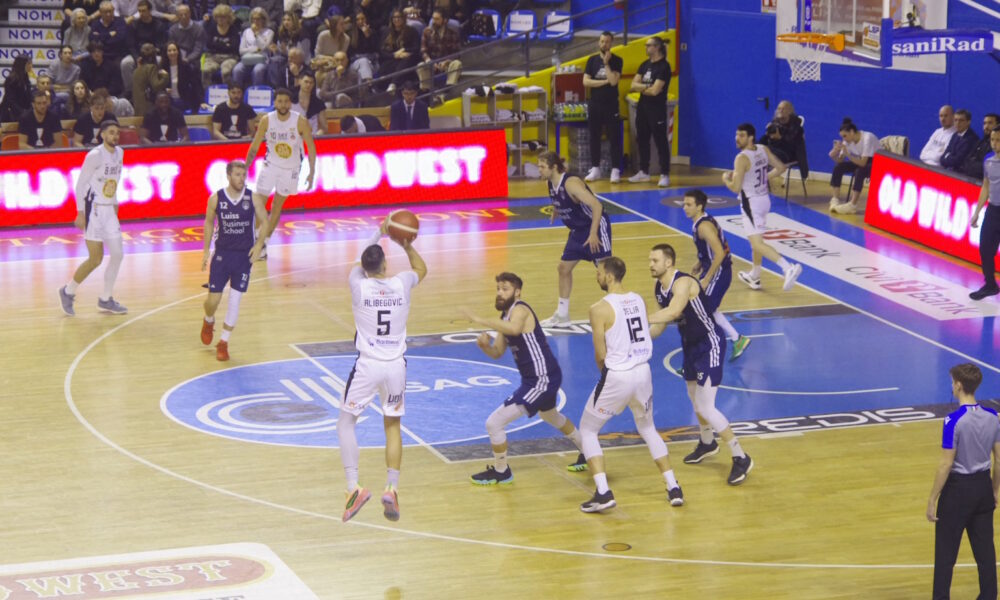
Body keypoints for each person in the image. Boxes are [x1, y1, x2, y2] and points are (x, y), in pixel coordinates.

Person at [574, 256, 683, 512]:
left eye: (599, 273)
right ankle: (673, 486)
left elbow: (600, 354)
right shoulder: (638, 299)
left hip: (619, 375)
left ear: (609, 276)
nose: (597, 276)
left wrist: (609, 378)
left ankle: (603, 492)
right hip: (643, 372)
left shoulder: (598, 308)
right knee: (648, 428)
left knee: (588, 430)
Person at [461, 272, 587, 485]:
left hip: (542, 378)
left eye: (505, 289)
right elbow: (498, 352)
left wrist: (480, 319)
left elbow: (515, 328)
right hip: (539, 377)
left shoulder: (520, 309)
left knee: (494, 423)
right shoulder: (504, 317)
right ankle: (588, 450)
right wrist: (485, 347)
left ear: (517, 292)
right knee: (550, 416)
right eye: (498, 289)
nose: (500, 293)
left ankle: (502, 471)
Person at [339, 220, 427, 523]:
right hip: (395, 366)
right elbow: (422, 270)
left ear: (364, 266)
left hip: (368, 364)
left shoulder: (357, 284)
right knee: (392, 426)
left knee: (346, 423)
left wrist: (379, 231)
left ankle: (354, 487)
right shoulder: (402, 282)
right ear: (386, 263)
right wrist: (406, 243)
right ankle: (392, 487)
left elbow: (360, 258)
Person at [647, 243, 753, 485]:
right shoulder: (659, 288)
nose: (650, 264)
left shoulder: (682, 283)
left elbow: (673, 312)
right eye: (650, 260)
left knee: (707, 407)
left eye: (655, 260)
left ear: (668, 263)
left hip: (710, 344)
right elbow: (659, 325)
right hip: (690, 346)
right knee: (695, 400)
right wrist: (638, 337)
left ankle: (740, 456)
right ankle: (707, 442)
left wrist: (636, 317)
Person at [926, 363, 1000, 600]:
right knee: (985, 552)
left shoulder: (952, 421)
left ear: (958, 385)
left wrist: (932, 498)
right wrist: (995, 489)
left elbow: (946, 464)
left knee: (946, 555)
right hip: (983, 488)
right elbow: (999, 459)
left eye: (952, 382)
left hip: (958, 491)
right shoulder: (993, 416)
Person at [199, 160, 267, 361]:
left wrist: (259, 245)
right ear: (228, 176)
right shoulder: (216, 198)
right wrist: (205, 250)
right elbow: (209, 223)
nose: (241, 179)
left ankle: (223, 342)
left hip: (243, 257)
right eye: (237, 175)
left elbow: (266, 220)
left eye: (243, 175)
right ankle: (208, 319)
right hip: (222, 255)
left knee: (235, 300)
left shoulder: (252, 197)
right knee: (213, 301)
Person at [59, 120, 128, 317]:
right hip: (94, 210)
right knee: (95, 259)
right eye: (111, 132)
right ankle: (68, 291)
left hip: (109, 209)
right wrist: (80, 212)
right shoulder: (95, 155)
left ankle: (106, 299)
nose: (115, 136)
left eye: (117, 132)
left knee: (117, 254)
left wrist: (115, 203)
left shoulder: (120, 153)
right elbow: (80, 184)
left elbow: (114, 181)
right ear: (102, 135)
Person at [536, 151, 611, 327]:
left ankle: (618, 309)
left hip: (595, 228)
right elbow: (558, 198)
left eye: (542, 166)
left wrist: (593, 234)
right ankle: (562, 315)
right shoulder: (550, 182)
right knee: (563, 269)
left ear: (554, 167)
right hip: (578, 231)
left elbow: (597, 206)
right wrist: (556, 209)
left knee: (606, 273)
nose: (539, 170)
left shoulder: (571, 184)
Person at [722, 123, 800, 291]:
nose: (737, 138)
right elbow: (781, 168)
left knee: (757, 243)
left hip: (751, 203)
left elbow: (736, 188)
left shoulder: (741, 158)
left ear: (750, 137)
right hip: (764, 199)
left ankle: (788, 268)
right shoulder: (763, 149)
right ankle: (755, 276)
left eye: (741, 135)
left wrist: (725, 180)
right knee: (755, 240)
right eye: (736, 134)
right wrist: (765, 178)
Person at [244, 87, 317, 259]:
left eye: (286, 101)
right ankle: (251, 238)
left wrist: (312, 172)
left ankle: (263, 244)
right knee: (259, 204)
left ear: (290, 103)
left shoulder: (300, 121)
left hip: (291, 169)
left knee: (277, 206)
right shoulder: (266, 120)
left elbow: (311, 148)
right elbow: (254, 146)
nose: (283, 104)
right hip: (270, 165)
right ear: (274, 102)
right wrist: (245, 167)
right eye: (279, 101)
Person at [683, 189, 751, 361]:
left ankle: (705, 349)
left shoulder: (704, 226)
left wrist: (707, 279)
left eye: (689, 204)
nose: (685, 207)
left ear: (699, 207)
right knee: (705, 309)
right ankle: (737, 339)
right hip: (715, 269)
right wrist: (700, 262)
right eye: (684, 204)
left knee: (700, 309)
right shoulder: (702, 221)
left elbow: (720, 253)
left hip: (718, 273)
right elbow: (713, 249)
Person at [628, 36, 671, 187]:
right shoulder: (644, 65)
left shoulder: (664, 67)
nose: (646, 48)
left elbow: (656, 91)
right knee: (642, 140)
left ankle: (665, 174)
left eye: (649, 45)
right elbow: (633, 85)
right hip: (642, 108)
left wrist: (644, 88)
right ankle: (644, 172)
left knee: (660, 141)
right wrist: (647, 88)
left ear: (657, 47)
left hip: (657, 109)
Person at [583, 31, 623, 184]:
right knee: (594, 136)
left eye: (607, 42)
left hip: (611, 104)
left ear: (611, 43)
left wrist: (607, 64)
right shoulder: (591, 60)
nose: (604, 44)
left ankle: (615, 169)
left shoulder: (617, 60)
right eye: (601, 42)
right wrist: (603, 82)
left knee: (614, 137)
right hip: (595, 104)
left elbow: (613, 82)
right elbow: (586, 82)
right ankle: (595, 168)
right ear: (598, 43)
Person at [968, 126, 1000, 301]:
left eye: (998, 140)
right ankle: (990, 285)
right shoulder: (988, 161)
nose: (995, 144)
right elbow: (986, 186)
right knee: (985, 249)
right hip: (993, 211)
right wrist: (977, 212)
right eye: (992, 140)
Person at [827, 118, 879, 215]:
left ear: (851, 132)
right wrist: (834, 154)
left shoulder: (867, 138)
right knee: (838, 167)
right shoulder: (847, 142)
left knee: (860, 171)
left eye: (845, 136)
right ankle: (835, 199)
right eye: (842, 137)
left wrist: (848, 155)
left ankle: (852, 205)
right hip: (862, 161)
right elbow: (840, 160)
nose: (844, 139)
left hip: (878, 162)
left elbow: (863, 163)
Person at [119, 0, 167, 97]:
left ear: (150, 11)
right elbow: (131, 45)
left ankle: (158, 89)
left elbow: (160, 44)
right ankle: (131, 91)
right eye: (139, 11)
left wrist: (151, 55)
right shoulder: (133, 25)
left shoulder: (159, 25)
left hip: (154, 54)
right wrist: (137, 57)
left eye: (144, 11)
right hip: (137, 53)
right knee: (125, 63)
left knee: (160, 60)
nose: (141, 13)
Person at [417, 8, 461, 106]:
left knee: (457, 64)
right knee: (420, 65)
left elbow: (457, 53)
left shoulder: (452, 33)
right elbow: (423, 50)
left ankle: (446, 91)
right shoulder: (427, 32)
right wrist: (429, 60)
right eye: (433, 19)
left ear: (445, 20)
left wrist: (447, 61)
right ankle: (426, 93)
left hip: (446, 63)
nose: (434, 21)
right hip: (432, 63)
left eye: (437, 19)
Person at [379, 10, 420, 94]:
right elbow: (382, 52)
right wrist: (394, 55)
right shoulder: (386, 32)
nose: (396, 20)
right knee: (384, 69)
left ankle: (393, 84)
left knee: (406, 59)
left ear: (403, 18)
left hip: (407, 60)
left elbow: (416, 48)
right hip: (392, 59)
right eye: (394, 17)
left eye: (399, 17)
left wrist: (404, 50)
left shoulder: (411, 31)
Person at [201, 3, 241, 87]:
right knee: (205, 70)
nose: (220, 19)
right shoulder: (211, 28)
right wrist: (225, 45)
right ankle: (208, 93)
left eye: (223, 17)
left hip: (230, 57)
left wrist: (217, 45)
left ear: (228, 18)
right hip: (213, 57)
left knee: (226, 71)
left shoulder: (234, 29)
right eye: (218, 16)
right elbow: (209, 44)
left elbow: (234, 47)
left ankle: (228, 94)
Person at [232, 7, 273, 88]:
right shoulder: (246, 32)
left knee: (257, 70)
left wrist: (257, 34)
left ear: (263, 20)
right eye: (253, 19)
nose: (255, 21)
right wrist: (256, 49)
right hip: (247, 59)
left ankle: (256, 94)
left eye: (258, 19)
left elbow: (264, 47)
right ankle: (237, 92)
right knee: (237, 69)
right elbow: (241, 51)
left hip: (262, 60)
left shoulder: (269, 32)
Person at [131, 42, 168, 118]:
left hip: (138, 109)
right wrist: (165, 76)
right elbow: (156, 86)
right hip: (148, 109)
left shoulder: (136, 70)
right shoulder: (151, 68)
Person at [167, 3, 206, 69]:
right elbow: (172, 47)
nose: (184, 17)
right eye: (181, 15)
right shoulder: (173, 30)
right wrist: (179, 58)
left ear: (190, 14)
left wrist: (188, 59)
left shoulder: (199, 29)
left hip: (194, 58)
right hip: (178, 56)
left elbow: (198, 49)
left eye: (186, 14)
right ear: (177, 16)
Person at [961, 113, 999, 181]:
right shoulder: (980, 142)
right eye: (984, 123)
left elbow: (987, 168)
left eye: (990, 123)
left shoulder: (997, 146)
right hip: (970, 179)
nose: (986, 126)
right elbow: (965, 161)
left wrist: (973, 164)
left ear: (998, 125)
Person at [940, 109, 979, 173]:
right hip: (950, 171)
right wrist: (948, 157)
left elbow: (957, 161)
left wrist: (947, 157)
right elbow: (943, 157)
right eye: (955, 120)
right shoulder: (955, 135)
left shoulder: (971, 139)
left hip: (961, 175)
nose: (957, 123)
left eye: (961, 120)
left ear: (968, 122)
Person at [0, 56, 34, 123]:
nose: (31, 66)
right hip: (11, 111)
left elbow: (29, 97)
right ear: (22, 64)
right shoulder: (11, 80)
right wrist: (23, 112)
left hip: (24, 110)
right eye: (29, 64)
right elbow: (11, 101)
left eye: (31, 63)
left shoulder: (26, 78)